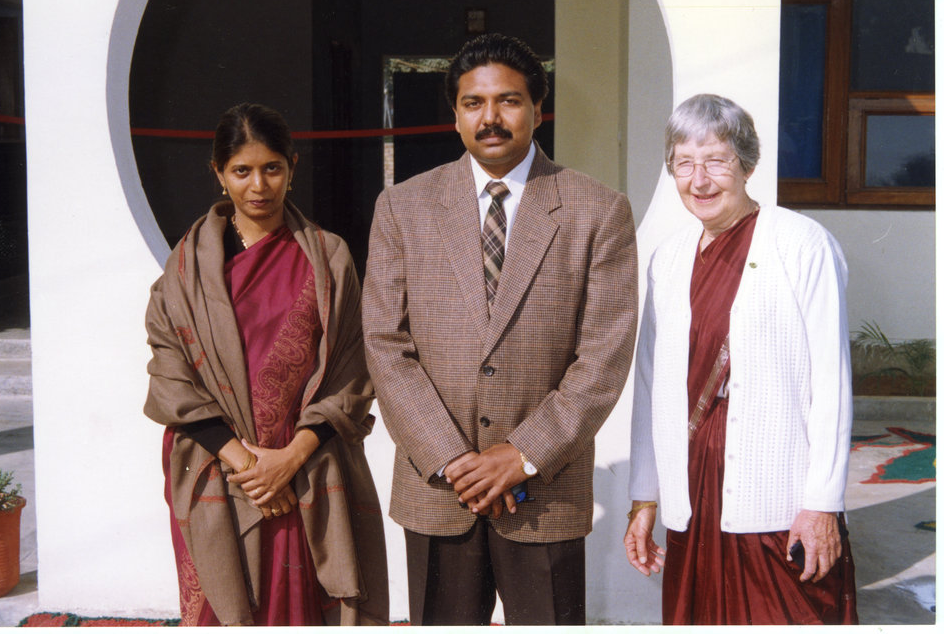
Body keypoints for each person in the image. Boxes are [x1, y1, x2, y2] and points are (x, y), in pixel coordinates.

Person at [363, 33, 638, 625]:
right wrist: (454, 460)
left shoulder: (597, 210)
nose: (490, 118)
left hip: (545, 488)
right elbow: (387, 348)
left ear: (538, 108)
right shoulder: (402, 208)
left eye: (509, 101)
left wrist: (521, 454)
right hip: (438, 489)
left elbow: (604, 359)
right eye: (473, 103)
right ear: (455, 114)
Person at [144, 103, 388, 626]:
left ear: (292, 168)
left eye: (272, 168)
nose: (259, 185)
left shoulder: (329, 258)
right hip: (218, 466)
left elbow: (352, 368)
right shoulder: (184, 271)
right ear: (218, 173)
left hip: (308, 467)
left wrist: (290, 459)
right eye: (242, 170)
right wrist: (251, 466)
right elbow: (170, 375)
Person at [624, 93, 858, 624]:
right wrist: (645, 499)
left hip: (777, 496)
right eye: (684, 163)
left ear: (747, 164)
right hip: (694, 491)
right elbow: (650, 385)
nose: (699, 180)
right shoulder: (669, 258)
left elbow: (832, 382)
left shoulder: (802, 245)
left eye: (716, 161)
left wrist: (822, 503)